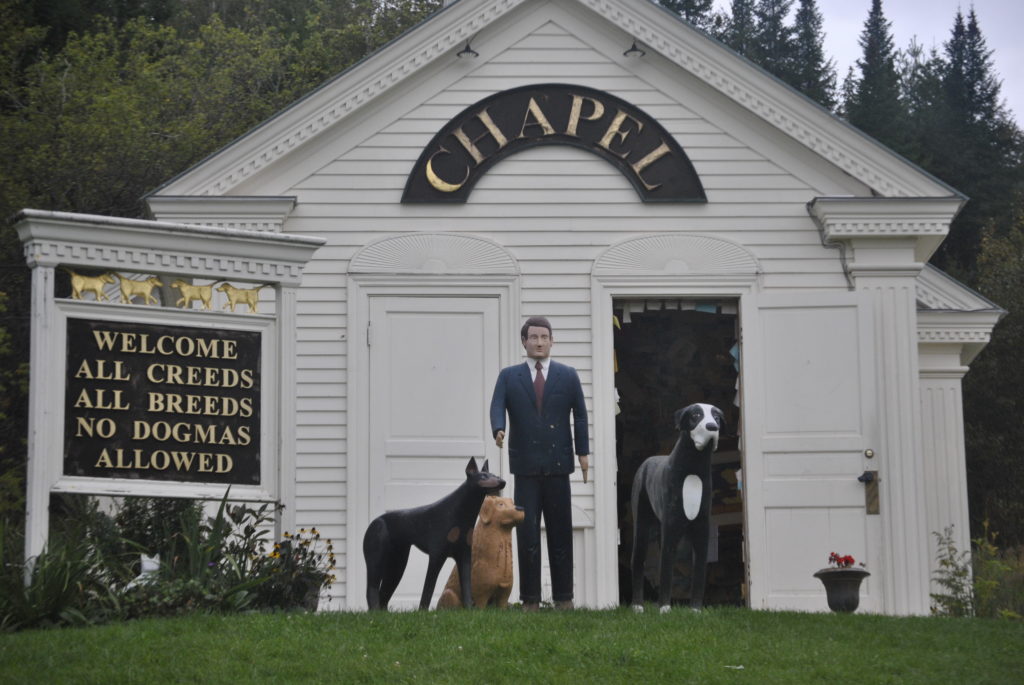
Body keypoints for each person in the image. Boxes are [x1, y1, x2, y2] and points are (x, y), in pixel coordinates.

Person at [490, 316, 590, 610]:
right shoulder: (509, 376)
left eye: (544, 337)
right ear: (524, 341)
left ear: (552, 341)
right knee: (528, 536)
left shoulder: (568, 375)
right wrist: (498, 427)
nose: (539, 342)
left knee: (561, 535)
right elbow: (497, 405)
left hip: (559, 466)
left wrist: (583, 453)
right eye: (533, 337)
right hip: (526, 468)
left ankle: (564, 599)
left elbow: (580, 416)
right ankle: (530, 600)